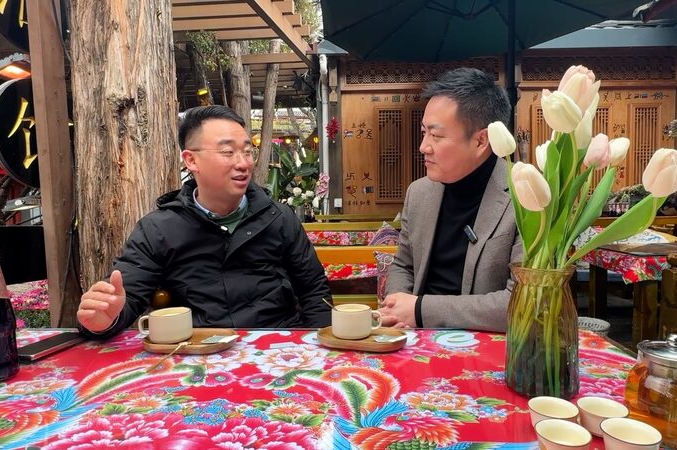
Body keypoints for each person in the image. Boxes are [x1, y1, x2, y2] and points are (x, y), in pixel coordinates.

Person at [77, 105, 331, 337]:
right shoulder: (159, 229)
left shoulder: (278, 217)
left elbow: (314, 291)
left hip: (276, 348)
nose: (243, 163)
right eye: (228, 152)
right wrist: (104, 321)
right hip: (196, 351)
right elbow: (128, 296)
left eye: (247, 151)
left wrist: (320, 349)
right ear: (191, 160)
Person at [379, 67, 522, 332]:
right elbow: (403, 265)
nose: (423, 146)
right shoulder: (419, 193)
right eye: (424, 132)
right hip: (415, 338)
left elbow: (521, 302)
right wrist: (396, 308)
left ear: (481, 141)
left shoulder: (526, 197)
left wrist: (420, 310)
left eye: (436, 135)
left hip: (487, 345)